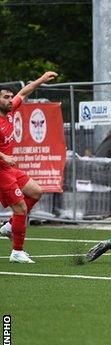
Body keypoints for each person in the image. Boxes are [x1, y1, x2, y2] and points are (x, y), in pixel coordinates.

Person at [0, 71, 58, 263]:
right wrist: (3, 157)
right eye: (6, 97)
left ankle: (9, 226)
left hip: (9, 169)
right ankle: (17, 251)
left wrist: (41, 79)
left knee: (35, 192)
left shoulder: (9, 111)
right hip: (1, 172)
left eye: (10, 97)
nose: (11, 100)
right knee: (21, 208)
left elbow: (24, 93)